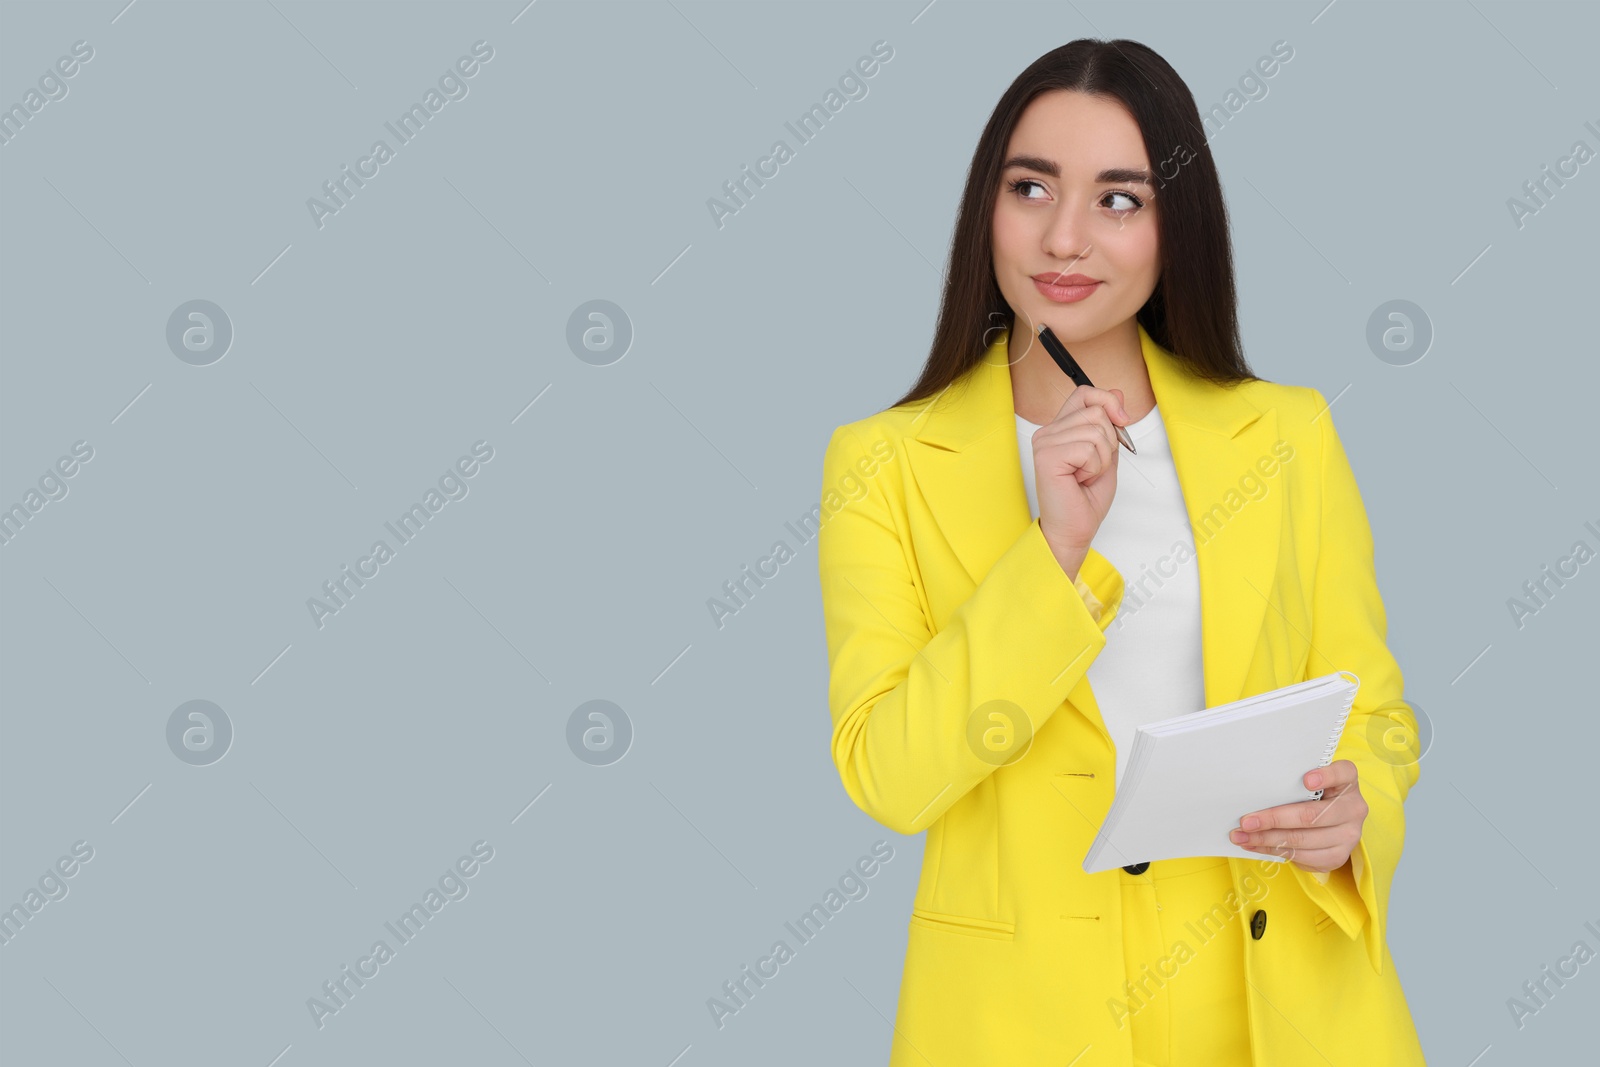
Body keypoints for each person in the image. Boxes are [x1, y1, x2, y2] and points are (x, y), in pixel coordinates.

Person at [815, 39, 1426, 1067]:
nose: (1064, 236)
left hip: (1273, 1000)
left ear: (1173, 225)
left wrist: (1357, 819)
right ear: (986, 206)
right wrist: (1053, 551)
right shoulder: (882, 461)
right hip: (1021, 1018)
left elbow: (1372, 709)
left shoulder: (1283, 435)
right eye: (1031, 186)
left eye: (1118, 199)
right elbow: (889, 773)